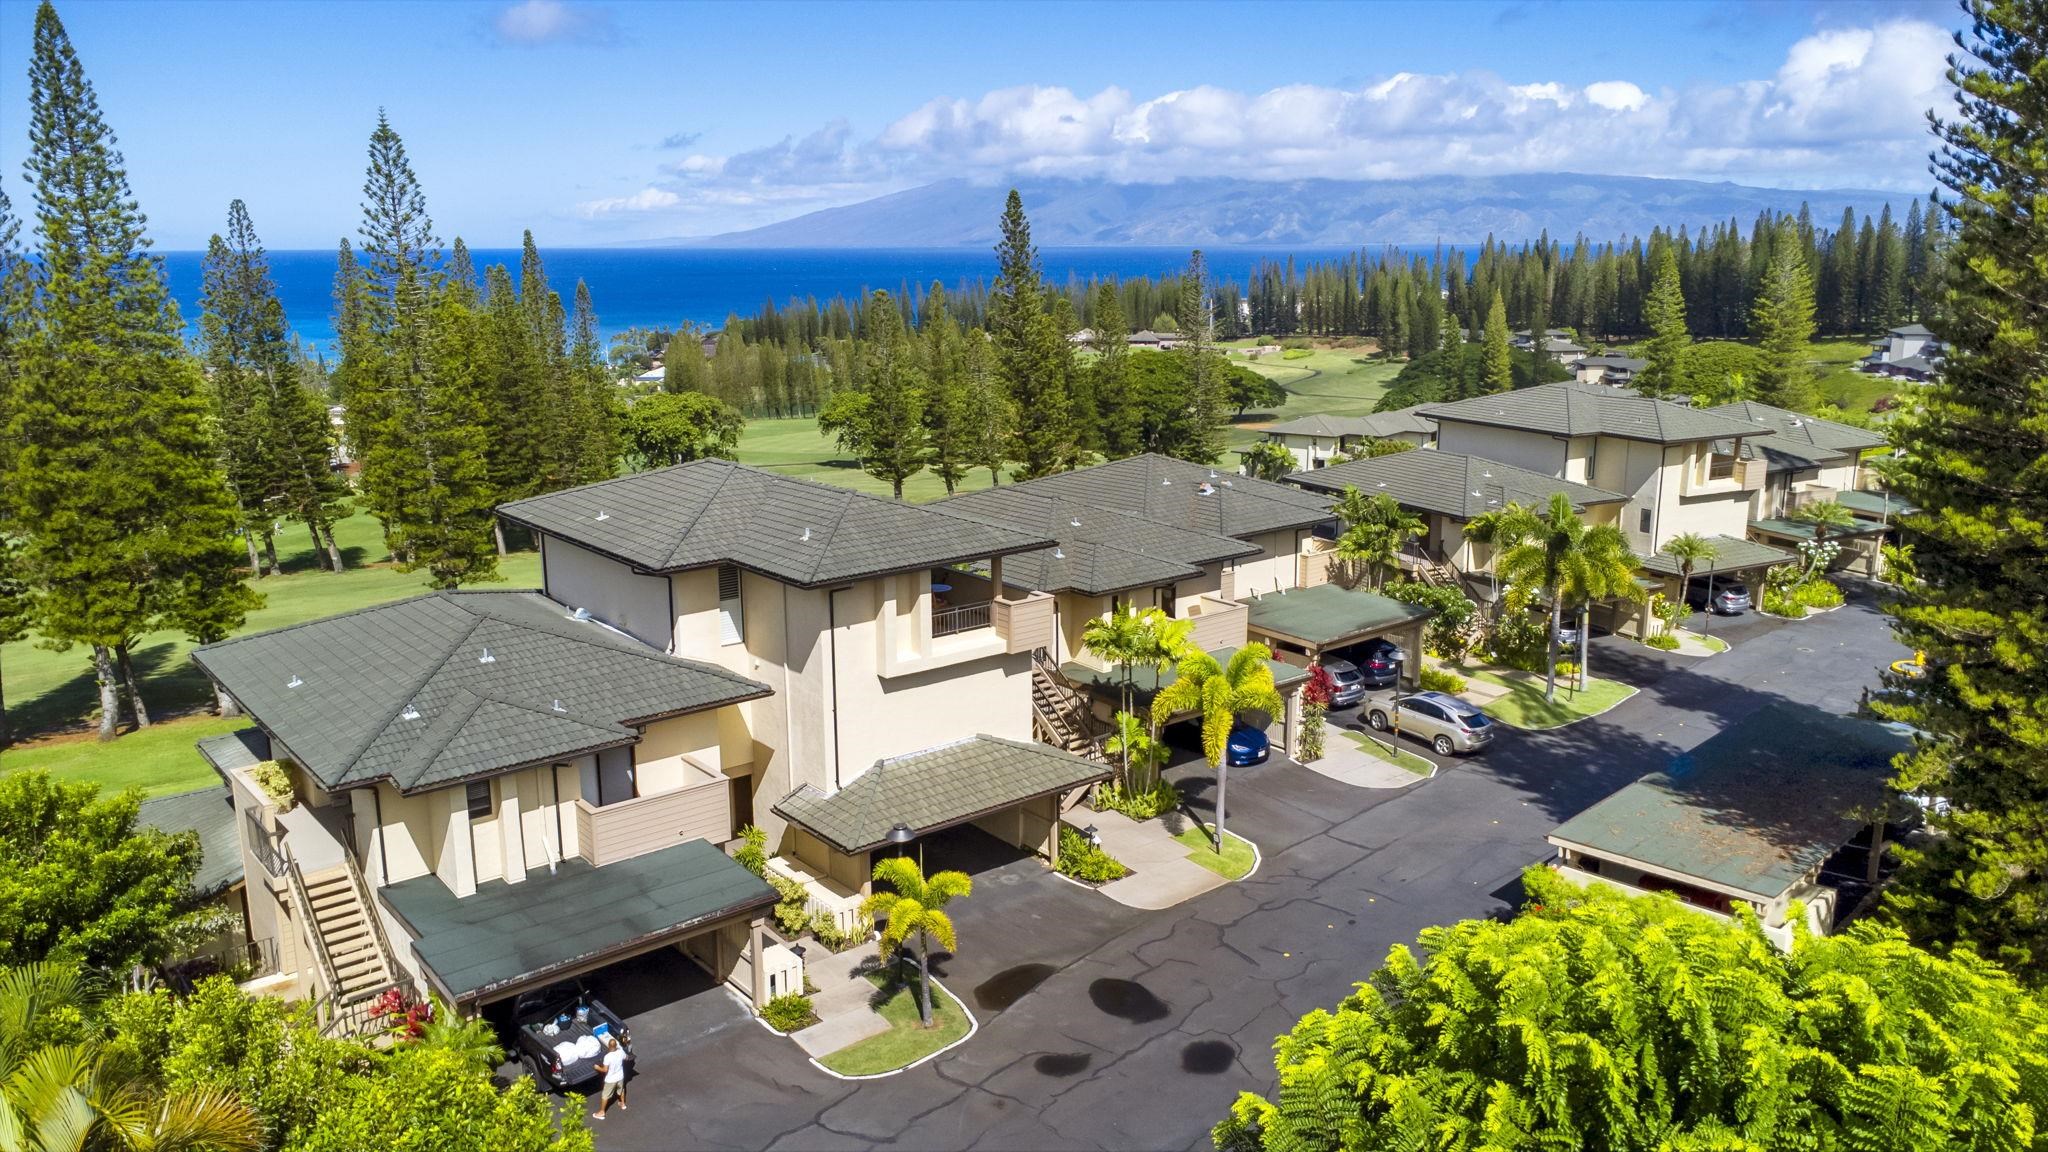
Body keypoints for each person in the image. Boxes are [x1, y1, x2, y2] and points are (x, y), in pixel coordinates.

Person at [592, 1034, 628, 1119]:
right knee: (621, 1089)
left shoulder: (607, 1057)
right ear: (616, 1045)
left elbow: (605, 1070)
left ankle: (601, 1112)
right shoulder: (621, 1052)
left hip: (611, 1079)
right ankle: (622, 1104)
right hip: (620, 1076)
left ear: (608, 1046)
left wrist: (597, 1067)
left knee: (605, 1095)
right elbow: (626, 1058)